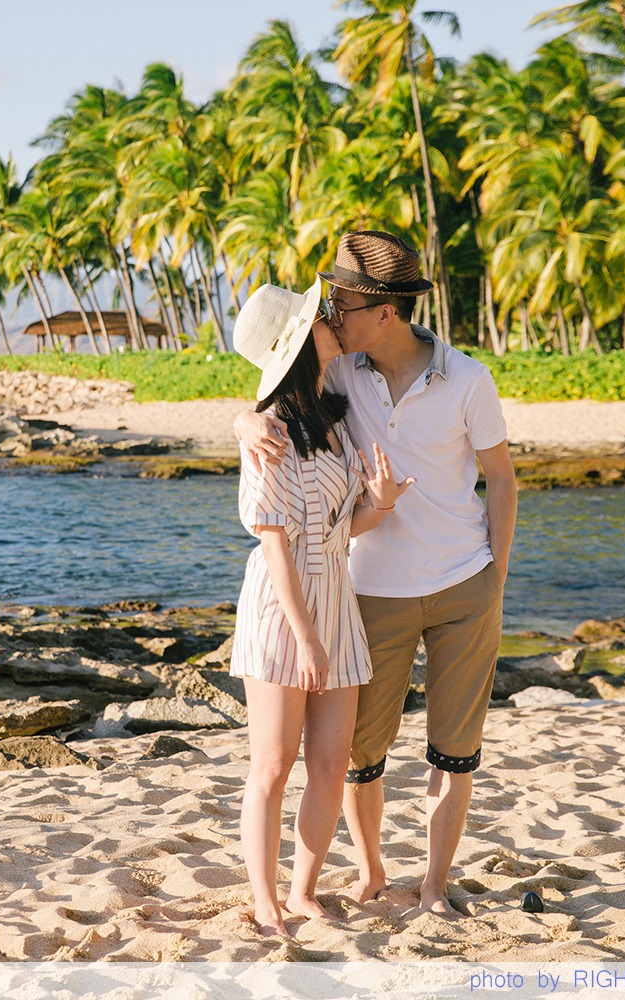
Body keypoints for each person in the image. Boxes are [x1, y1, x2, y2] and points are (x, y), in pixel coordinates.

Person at [236, 231, 518, 918]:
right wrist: (242, 422)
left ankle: (420, 888)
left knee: (438, 752)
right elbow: (271, 404)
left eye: (342, 304)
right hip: (353, 595)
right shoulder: (340, 374)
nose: (331, 315)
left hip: (450, 585)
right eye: (324, 307)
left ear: (385, 311)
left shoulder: (459, 380)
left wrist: (495, 582)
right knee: (336, 758)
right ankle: (351, 877)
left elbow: (502, 481)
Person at [229, 278, 416, 938]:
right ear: (300, 342)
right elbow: (276, 544)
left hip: (336, 599)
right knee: (273, 766)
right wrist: (305, 638)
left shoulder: (331, 424)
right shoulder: (269, 433)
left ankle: (303, 891)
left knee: (331, 764)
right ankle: (264, 900)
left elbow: (338, 530)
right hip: (285, 612)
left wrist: (382, 504)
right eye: (317, 318)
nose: (331, 320)